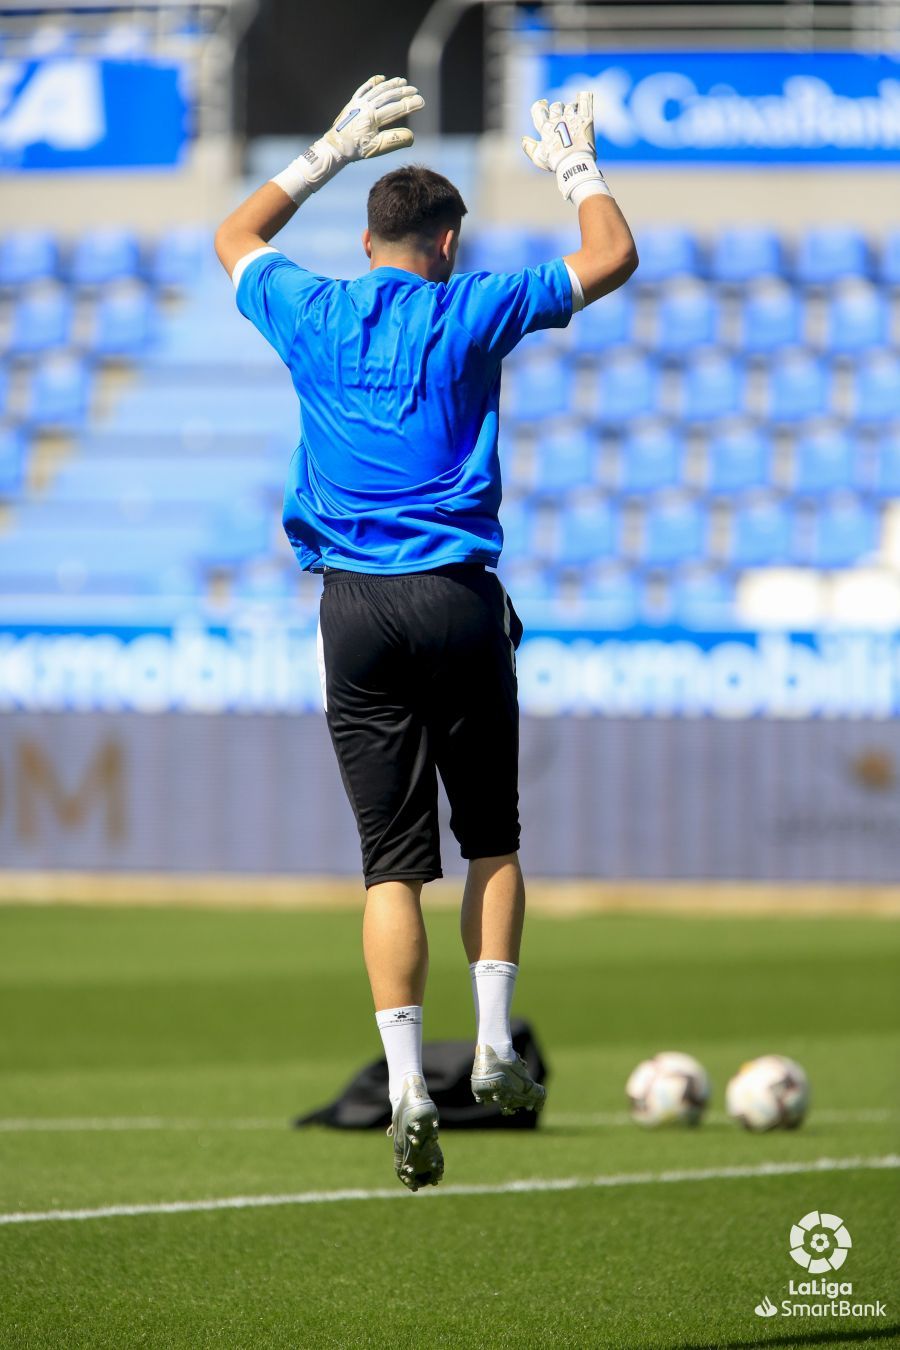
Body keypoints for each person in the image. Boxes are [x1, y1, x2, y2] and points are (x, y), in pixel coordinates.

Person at [214, 75, 638, 1192]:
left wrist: (327, 150)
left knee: (389, 866)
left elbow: (235, 233)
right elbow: (609, 259)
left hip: (351, 608)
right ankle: (493, 1044)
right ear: (448, 242)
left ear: (366, 240)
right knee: (489, 836)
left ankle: (408, 1080)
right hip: (454, 594)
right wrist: (577, 171)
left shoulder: (308, 307)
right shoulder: (471, 306)